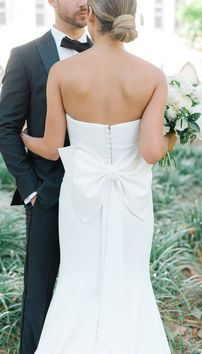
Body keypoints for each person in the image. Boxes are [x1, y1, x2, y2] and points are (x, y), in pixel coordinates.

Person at [21, 0, 176, 352]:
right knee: (130, 280)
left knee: (78, 280)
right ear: (130, 15)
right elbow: (151, 151)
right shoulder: (152, 76)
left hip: (80, 199)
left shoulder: (62, 73)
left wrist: (26, 138)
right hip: (132, 198)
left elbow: (51, 146)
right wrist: (175, 134)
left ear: (91, 14)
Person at [0, 1, 92, 353]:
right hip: (45, 193)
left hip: (95, 190)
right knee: (38, 289)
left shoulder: (105, 55)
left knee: (89, 283)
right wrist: (29, 189)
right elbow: (7, 128)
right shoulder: (24, 56)